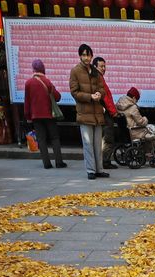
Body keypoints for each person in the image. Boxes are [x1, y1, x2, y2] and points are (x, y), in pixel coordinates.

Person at [69, 44, 107, 180]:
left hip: (97, 113)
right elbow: (74, 92)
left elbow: (102, 89)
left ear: (91, 56)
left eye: (88, 55)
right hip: (84, 113)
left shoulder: (95, 72)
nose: (86, 57)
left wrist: (98, 94)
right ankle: (91, 170)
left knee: (98, 144)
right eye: (84, 55)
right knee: (88, 143)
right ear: (80, 56)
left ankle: (99, 169)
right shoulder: (75, 71)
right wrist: (89, 96)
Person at [23, 60, 66, 171]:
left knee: (41, 139)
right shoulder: (47, 82)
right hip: (49, 115)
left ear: (33, 69)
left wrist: (28, 116)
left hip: (36, 116)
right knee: (55, 138)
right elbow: (57, 97)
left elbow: (27, 102)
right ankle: (59, 162)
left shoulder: (28, 83)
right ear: (43, 69)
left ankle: (46, 163)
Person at [116, 88, 155, 164]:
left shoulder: (119, 105)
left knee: (149, 130)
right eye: (137, 99)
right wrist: (145, 118)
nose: (137, 101)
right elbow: (141, 122)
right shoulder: (132, 107)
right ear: (134, 98)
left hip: (127, 130)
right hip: (134, 131)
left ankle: (150, 152)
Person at [92, 56, 118, 170]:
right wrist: (114, 112)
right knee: (108, 138)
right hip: (105, 113)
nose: (104, 68)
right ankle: (105, 162)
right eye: (101, 66)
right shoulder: (98, 78)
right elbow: (106, 98)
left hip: (101, 112)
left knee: (103, 138)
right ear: (95, 67)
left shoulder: (96, 77)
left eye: (104, 66)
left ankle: (101, 161)